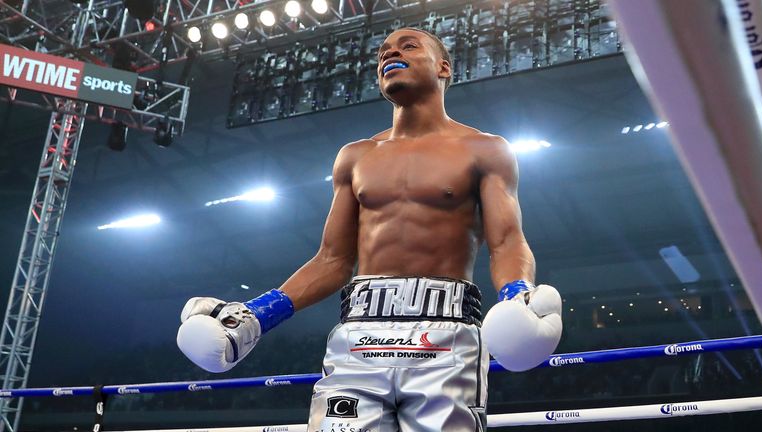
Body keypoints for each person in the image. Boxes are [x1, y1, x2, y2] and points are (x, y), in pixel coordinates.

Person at [176, 28, 563, 432]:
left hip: (444, 335)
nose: (391, 52)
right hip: (358, 335)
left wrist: (517, 294)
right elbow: (332, 260)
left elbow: (506, 241)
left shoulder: (485, 149)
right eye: (383, 51)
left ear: (444, 67)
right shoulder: (354, 157)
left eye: (409, 46)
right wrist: (257, 314)